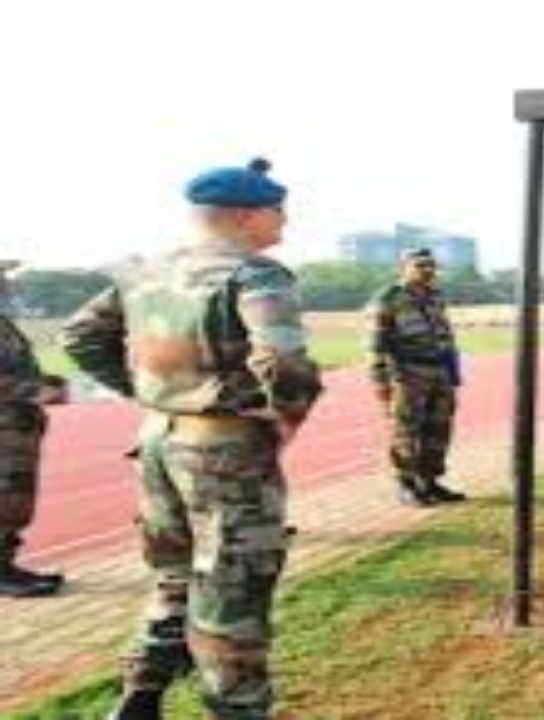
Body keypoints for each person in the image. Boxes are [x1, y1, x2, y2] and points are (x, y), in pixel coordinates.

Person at [60, 158, 323, 719]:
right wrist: (288, 416)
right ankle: (235, 709)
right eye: (280, 212)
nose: (286, 224)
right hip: (225, 451)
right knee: (234, 591)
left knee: (174, 578)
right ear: (247, 215)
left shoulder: (147, 273)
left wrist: (155, 393)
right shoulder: (256, 274)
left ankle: (139, 699)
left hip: (158, 442)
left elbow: (80, 336)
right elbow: (281, 357)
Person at [367, 248, 467, 507]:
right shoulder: (389, 298)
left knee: (439, 428)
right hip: (408, 373)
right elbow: (376, 342)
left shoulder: (435, 296)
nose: (427, 270)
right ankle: (407, 484)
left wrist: (453, 371)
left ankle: (430, 481)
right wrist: (380, 380)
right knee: (406, 431)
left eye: (431, 265)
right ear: (403, 267)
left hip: (439, 370)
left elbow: (446, 334)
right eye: (420, 265)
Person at [0, 261, 68, 597]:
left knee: (13, 502)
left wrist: (47, 382)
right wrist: (34, 391)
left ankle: (6, 564)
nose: (6, 281)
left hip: (15, 427)